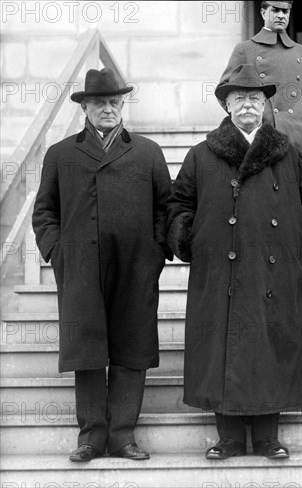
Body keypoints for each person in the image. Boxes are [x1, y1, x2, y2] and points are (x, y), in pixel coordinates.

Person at [166, 64, 302, 460]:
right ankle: (230, 438)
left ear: (264, 103)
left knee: (269, 346)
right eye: (240, 99)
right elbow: (178, 205)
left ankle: (268, 437)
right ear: (226, 105)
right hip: (221, 272)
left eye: (255, 98)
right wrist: (190, 240)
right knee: (224, 346)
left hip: (275, 272)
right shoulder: (202, 155)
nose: (248, 105)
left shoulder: (287, 154)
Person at [32, 68, 172, 462]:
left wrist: (155, 253)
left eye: (113, 102)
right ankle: (91, 437)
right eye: (99, 104)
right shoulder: (61, 154)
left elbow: (166, 206)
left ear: (122, 104)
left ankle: (123, 435)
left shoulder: (147, 152)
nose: (107, 109)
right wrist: (58, 253)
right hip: (80, 268)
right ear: (85, 109)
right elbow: (44, 212)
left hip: (135, 267)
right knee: (88, 350)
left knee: (132, 347)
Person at [217, 1, 302, 166]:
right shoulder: (245, 49)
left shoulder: (301, 51)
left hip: (296, 133)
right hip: (260, 132)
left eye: (285, 11)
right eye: (275, 10)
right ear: (263, 13)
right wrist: (247, 116)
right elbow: (224, 89)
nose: (281, 16)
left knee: (297, 186)